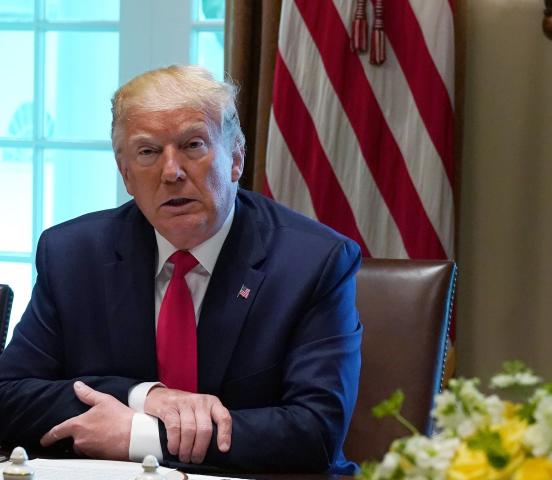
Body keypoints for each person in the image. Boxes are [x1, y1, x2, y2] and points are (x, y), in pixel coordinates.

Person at [0, 65, 362, 474]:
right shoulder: (73, 254)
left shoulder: (314, 262)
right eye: (148, 152)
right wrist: (144, 397)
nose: (171, 172)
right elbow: (9, 397)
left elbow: (314, 432)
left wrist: (140, 435)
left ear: (236, 159)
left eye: (193, 145)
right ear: (125, 173)